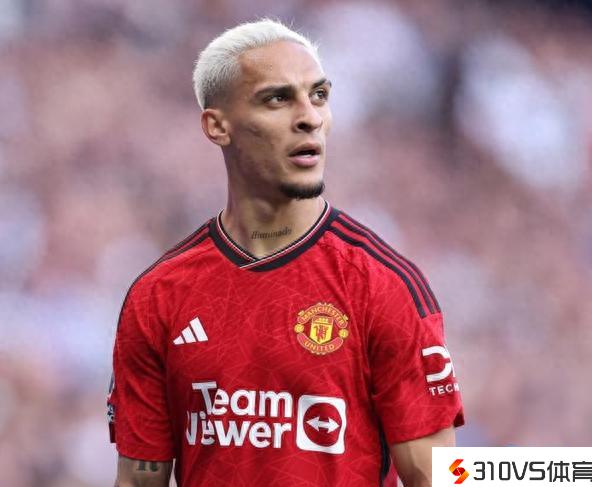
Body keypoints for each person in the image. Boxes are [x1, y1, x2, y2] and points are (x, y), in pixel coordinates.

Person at [108, 18, 464, 487]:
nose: (309, 117)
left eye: (319, 96)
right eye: (277, 99)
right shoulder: (158, 296)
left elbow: (439, 477)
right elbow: (139, 479)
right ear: (217, 126)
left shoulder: (383, 286)